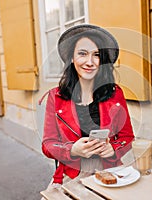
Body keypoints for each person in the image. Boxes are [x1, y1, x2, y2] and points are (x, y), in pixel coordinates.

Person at [41, 24, 135, 185]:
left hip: (109, 171)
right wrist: (72, 150)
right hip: (71, 174)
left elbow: (127, 137)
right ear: (72, 58)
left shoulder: (115, 93)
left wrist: (114, 149)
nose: (89, 62)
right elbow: (48, 144)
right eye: (82, 54)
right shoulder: (55, 97)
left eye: (96, 55)